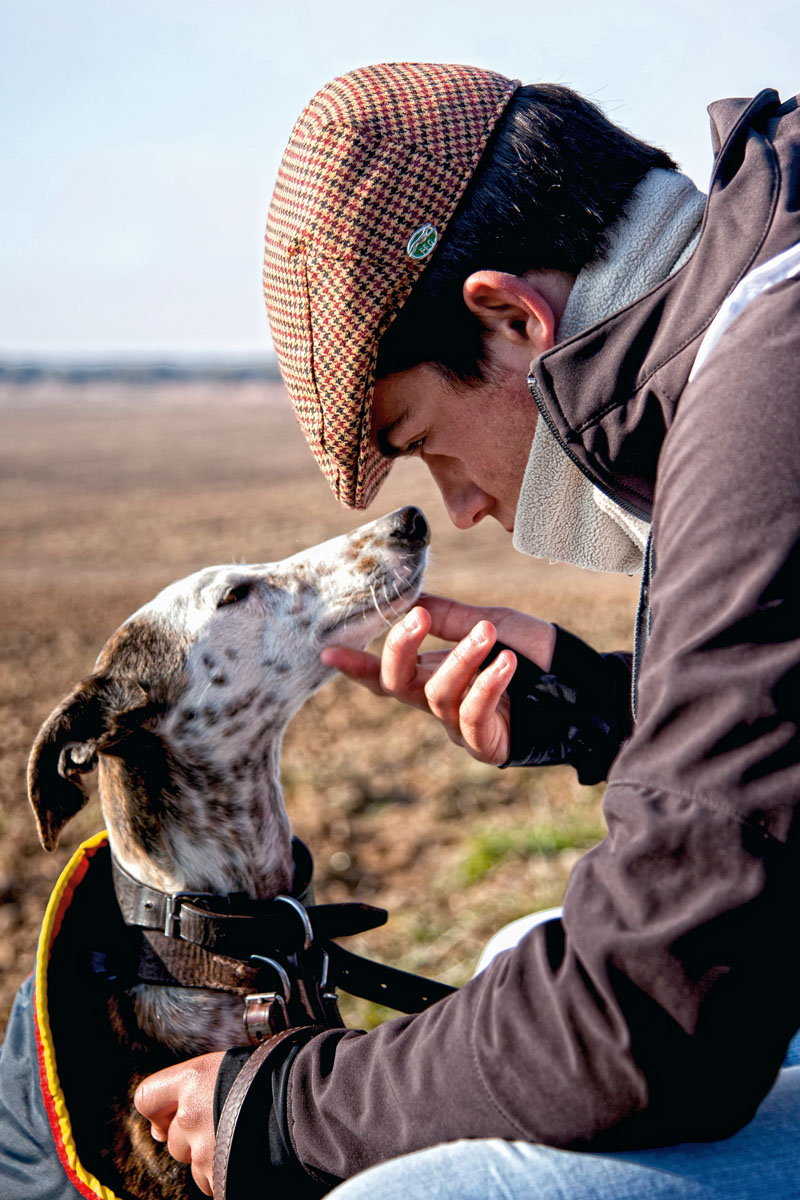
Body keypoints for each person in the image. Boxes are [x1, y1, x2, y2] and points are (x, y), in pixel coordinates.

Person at [134, 63, 800, 1198]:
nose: (466, 509)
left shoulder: (764, 395)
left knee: (418, 1191)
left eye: (424, 440)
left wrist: (287, 1108)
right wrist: (600, 702)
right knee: (506, 967)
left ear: (507, 316)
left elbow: (642, 1017)